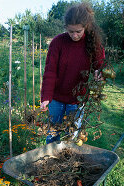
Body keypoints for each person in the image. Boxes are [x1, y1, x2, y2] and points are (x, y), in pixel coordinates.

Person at [40, 2, 105, 144]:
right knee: (53, 134)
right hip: (56, 99)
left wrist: (99, 74)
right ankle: (50, 163)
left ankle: (69, 164)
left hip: (77, 100)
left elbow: (101, 66)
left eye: (78, 31)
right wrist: (46, 97)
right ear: (66, 28)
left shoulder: (92, 43)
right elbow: (50, 71)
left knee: (71, 136)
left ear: (85, 27)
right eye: (71, 32)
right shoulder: (58, 42)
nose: (75, 35)